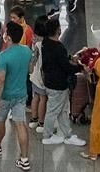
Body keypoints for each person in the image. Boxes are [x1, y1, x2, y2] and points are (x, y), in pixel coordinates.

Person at [0, 21, 34, 171]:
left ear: (9, 38)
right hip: (21, 94)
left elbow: (0, 79)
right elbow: (30, 70)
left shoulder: (3, 56)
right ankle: (24, 159)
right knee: (20, 124)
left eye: (5, 33)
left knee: (0, 120)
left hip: (6, 95)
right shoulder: (26, 51)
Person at [40, 16, 86, 146]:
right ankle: (47, 135)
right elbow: (66, 66)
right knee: (54, 110)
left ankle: (67, 134)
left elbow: (59, 60)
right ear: (58, 30)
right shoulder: (58, 47)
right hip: (58, 85)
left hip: (50, 81)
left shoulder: (46, 43)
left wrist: (70, 57)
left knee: (62, 110)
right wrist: (80, 67)